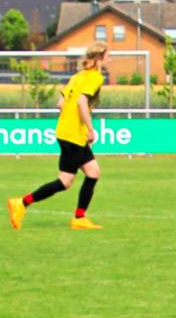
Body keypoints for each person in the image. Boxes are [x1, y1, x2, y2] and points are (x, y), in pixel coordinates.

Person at [6, 43, 107, 231]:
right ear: (99, 57)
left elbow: (60, 103)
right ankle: (22, 203)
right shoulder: (96, 77)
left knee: (93, 171)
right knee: (65, 181)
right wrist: (90, 129)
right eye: (107, 55)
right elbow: (82, 101)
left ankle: (79, 217)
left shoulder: (77, 77)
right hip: (73, 135)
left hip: (65, 131)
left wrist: (71, 123)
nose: (109, 58)